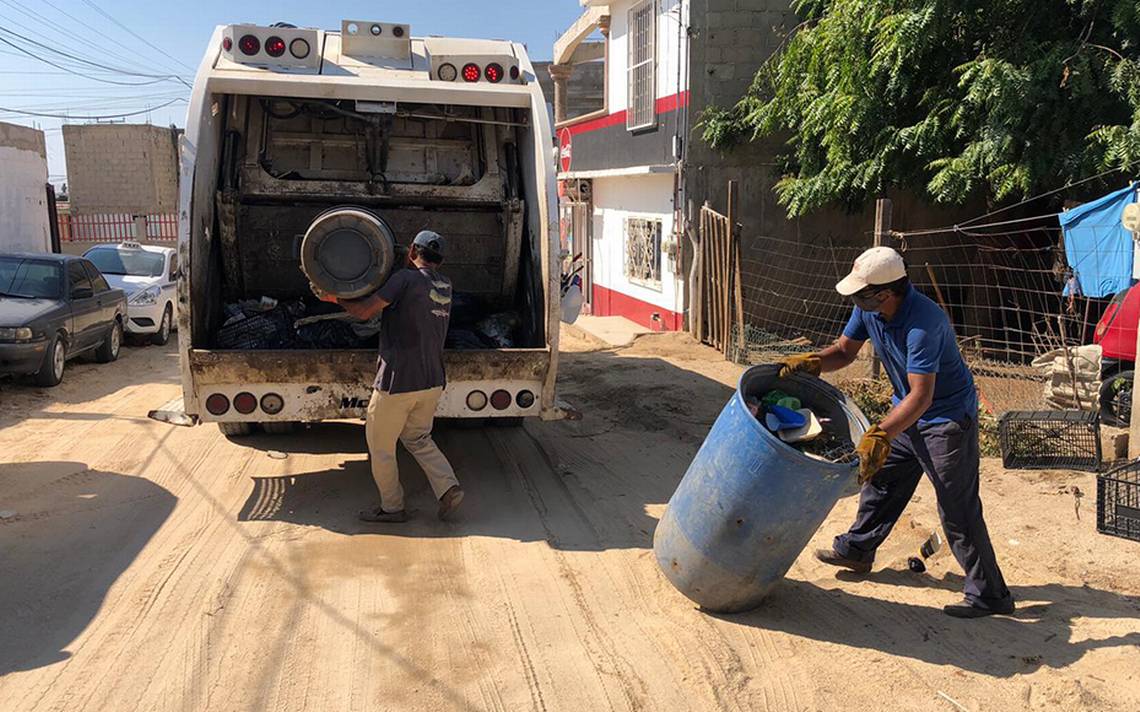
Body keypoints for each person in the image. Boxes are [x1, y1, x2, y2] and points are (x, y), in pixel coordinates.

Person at [780, 246, 1013, 618]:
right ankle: (858, 550)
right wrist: (812, 362)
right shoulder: (868, 308)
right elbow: (843, 351)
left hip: (945, 420)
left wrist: (881, 432)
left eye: (861, 292)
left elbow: (922, 395)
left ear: (885, 293)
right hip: (909, 411)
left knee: (957, 508)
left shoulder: (924, 324)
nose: (855, 299)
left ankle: (990, 595)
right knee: (882, 480)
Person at [329, 230, 464, 523]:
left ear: (413, 250)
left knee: (381, 446)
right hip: (431, 380)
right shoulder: (445, 283)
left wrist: (335, 298)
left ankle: (392, 508)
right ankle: (448, 487)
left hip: (399, 379)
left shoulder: (404, 278)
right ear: (439, 259)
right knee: (417, 438)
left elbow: (365, 312)